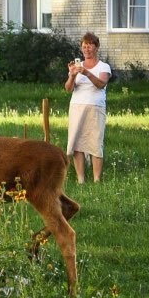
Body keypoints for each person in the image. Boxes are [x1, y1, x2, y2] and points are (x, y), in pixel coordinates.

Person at [64, 31, 112, 184]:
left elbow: (101, 84)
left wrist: (87, 73)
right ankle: (81, 179)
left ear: (96, 47)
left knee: (95, 142)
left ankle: (97, 180)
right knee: (77, 143)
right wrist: (72, 75)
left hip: (95, 108)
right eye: (84, 47)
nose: (87, 49)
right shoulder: (77, 67)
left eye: (90, 46)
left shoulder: (104, 66)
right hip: (77, 108)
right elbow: (68, 89)